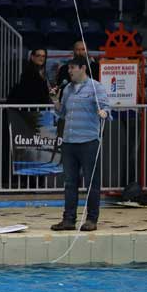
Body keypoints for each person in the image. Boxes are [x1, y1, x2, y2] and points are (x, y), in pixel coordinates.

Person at [50, 55, 110, 232]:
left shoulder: (95, 87)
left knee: (91, 182)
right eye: (69, 68)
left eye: (72, 68)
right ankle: (68, 219)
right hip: (69, 142)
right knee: (70, 183)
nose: (69, 71)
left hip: (88, 141)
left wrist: (104, 113)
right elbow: (62, 113)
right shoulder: (68, 89)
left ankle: (92, 219)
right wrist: (55, 100)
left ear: (83, 68)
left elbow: (106, 106)